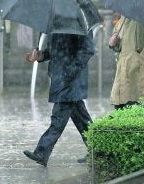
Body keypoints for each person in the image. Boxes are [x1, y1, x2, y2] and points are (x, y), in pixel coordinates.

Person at [23, 32, 95, 167]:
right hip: (60, 78)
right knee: (82, 120)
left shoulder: (80, 24)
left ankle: (42, 152)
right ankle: (98, 151)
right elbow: (54, 51)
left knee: (58, 119)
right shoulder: (58, 24)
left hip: (71, 81)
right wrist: (41, 55)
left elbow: (88, 50)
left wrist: (71, 69)